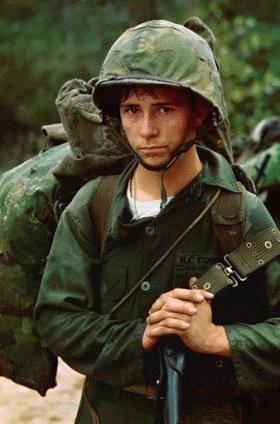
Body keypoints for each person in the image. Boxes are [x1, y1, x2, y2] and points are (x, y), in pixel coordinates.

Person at [34, 19, 280, 423]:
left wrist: (219, 339)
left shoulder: (239, 213)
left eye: (164, 109)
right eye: (133, 110)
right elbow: (58, 319)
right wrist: (139, 338)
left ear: (198, 113)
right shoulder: (92, 205)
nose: (146, 130)